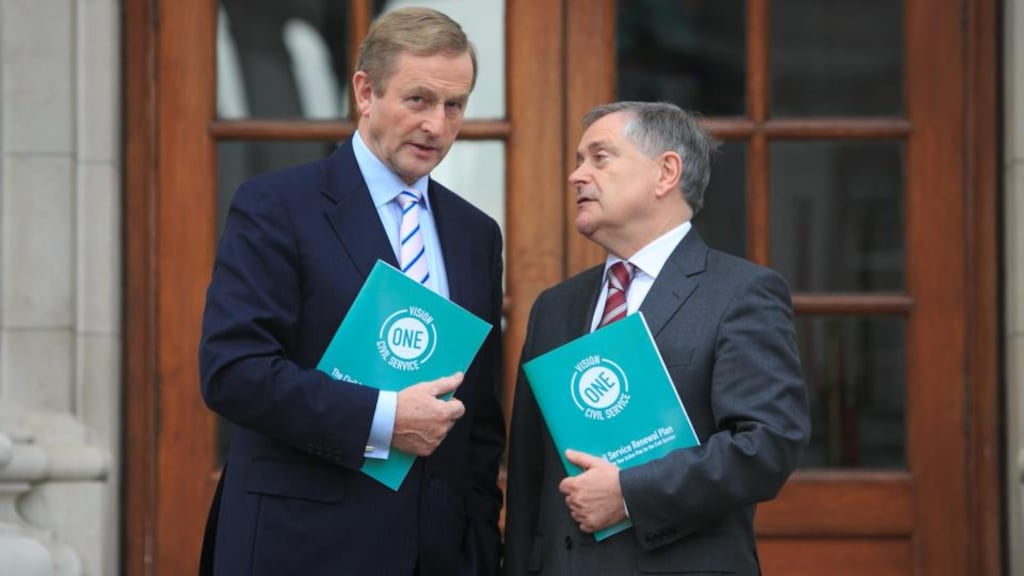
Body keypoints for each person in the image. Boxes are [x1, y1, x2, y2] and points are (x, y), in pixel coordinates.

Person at [198, 7, 505, 575]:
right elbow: (233, 371)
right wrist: (383, 418)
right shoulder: (278, 206)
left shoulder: (475, 234)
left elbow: (480, 420)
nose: (437, 126)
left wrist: (480, 550)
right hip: (302, 549)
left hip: (437, 555)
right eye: (418, 100)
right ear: (366, 92)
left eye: (454, 105)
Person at [503, 101, 809, 575]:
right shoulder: (555, 307)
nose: (577, 176)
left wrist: (630, 493)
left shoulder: (740, 293)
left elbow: (767, 446)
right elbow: (528, 478)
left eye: (600, 158)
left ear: (666, 173)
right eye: (578, 160)